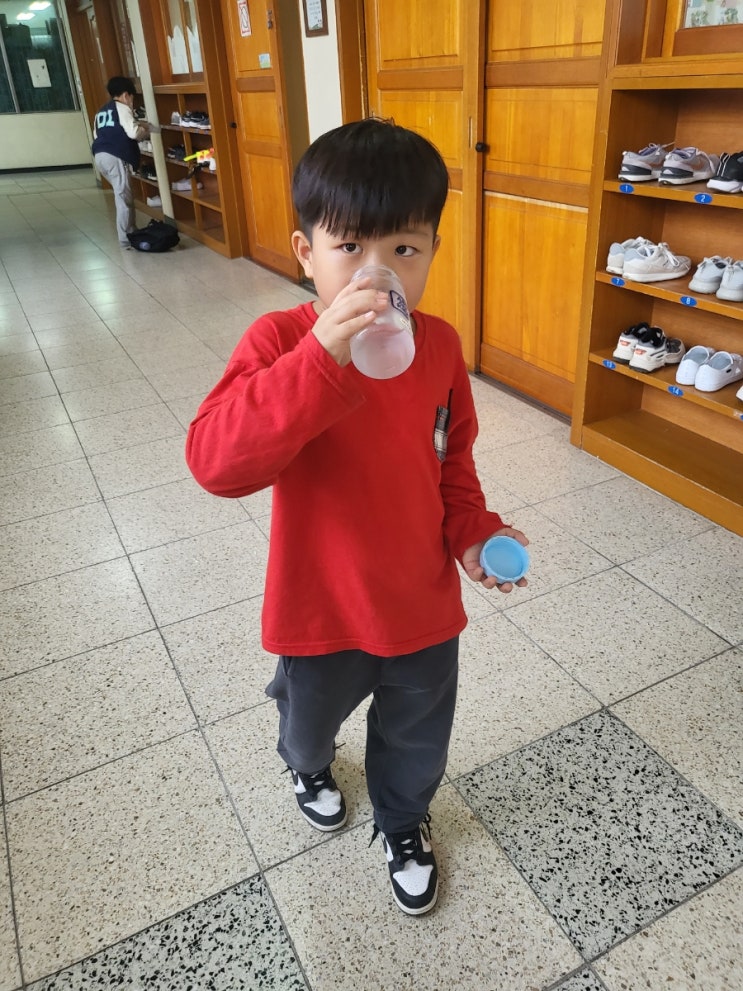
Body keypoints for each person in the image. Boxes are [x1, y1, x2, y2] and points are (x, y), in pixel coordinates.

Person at [186, 118, 529, 916]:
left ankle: (402, 823)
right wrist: (318, 359)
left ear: (432, 250)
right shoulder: (279, 341)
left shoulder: (438, 348)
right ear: (305, 252)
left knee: (416, 736)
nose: (379, 274)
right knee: (308, 725)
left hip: (418, 602)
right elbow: (215, 463)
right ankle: (306, 764)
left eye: (404, 249)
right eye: (349, 248)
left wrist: (474, 533)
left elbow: (451, 465)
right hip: (321, 606)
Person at [91, 76, 150, 248]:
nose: (132, 102)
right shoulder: (122, 108)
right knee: (123, 197)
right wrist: (145, 130)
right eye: (132, 97)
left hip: (100, 156)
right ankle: (126, 238)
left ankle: (131, 231)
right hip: (115, 156)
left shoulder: (101, 112)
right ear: (126, 95)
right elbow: (133, 133)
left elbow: (97, 135)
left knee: (124, 193)